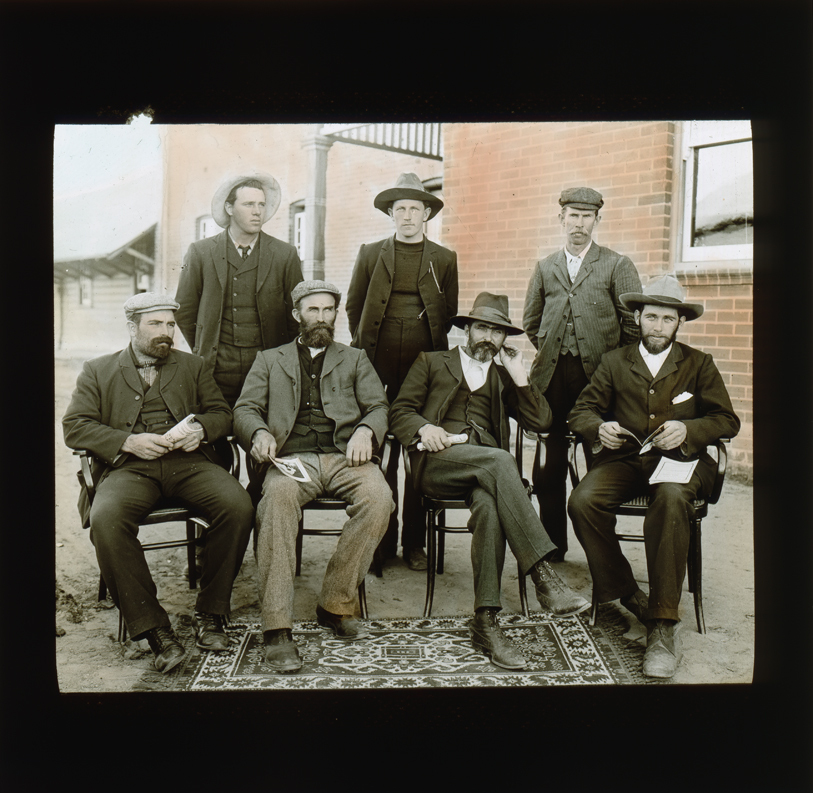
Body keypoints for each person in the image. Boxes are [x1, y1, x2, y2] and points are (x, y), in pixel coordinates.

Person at [389, 292, 590, 671]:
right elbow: (399, 411)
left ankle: (486, 621)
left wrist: (521, 379)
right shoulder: (432, 362)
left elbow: (543, 422)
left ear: (503, 341)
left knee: (490, 506)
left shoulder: (502, 376)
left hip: (486, 473)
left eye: (498, 333)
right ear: (467, 330)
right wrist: (424, 427)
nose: (488, 338)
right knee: (501, 460)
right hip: (439, 462)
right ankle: (543, 575)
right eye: (482, 327)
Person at [62, 293, 254, 674]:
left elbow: (222, 414)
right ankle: (155, 631)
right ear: (133, 328)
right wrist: (127, 441)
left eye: (170, 325)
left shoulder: (193, 366)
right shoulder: (98, 370)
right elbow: (75, 426)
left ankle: (211, 613)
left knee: (239, 505)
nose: (166, 332)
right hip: (129, 468)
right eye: (156, 324)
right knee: (106, 518)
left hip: (190, 464)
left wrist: (200, 428)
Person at [567, 275, 740, 678]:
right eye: (651, 317)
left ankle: (662, 625)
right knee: (582, 501)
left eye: (667, 319)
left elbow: (726, 419)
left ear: (679, 322)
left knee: (671, 498)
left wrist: (690, 430)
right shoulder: (615, 361)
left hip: (681, 461)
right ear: (638, 318)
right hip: (626, 460)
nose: (658, 327)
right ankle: (629, 593)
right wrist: (598, 428)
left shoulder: (699, 363)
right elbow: (582, 411)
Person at [234, 280, 393, 673]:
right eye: (313, 310)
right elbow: (245, 408)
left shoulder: (354, 358)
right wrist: (259, 432)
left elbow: (378, 406)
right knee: (277, 501)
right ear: (296, 314)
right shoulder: (269, 359)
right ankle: (276, 626)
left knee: (379, 498)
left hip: (344, 457)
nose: (321, 318)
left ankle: (335, 603)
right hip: (293, 460)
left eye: (328, 310)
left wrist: (366, 430)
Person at [346, 172, 459, 571]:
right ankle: (379, 544)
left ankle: (414, 543)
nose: (408, 216)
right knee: (378, 453)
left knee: (418, 451)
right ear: (391, 214)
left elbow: (445, 317)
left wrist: (429, 363)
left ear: (426, 213)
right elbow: (354, 308)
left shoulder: (444, 259)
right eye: (400, 209)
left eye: (415, 208)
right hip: (376, 364)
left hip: (422, 367)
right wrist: (362, 359)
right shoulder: (371, 252)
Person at [523, 187, 642, 561]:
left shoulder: (617, 264)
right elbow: (531, 322)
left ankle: (599, 553)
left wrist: (613, 369)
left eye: (586, 216)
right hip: (553, 379)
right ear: (561, 219)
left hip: (599, 380)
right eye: (572, 215)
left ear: (597, 221)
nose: (579, 223)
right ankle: (553, 547)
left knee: (599, 462)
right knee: (549, 467)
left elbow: (632, 328)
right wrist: (555, 347)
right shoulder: (546, 266)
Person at [175, 171, 304, 408]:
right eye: (248, 204)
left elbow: (295, 316)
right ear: (229, 208)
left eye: (262, 204)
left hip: (267, 367)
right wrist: (206, 343)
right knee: (217, 431)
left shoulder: (285, 254)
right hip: (217, 368)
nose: (257, 211)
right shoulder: (201, 252)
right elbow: (184, 311)